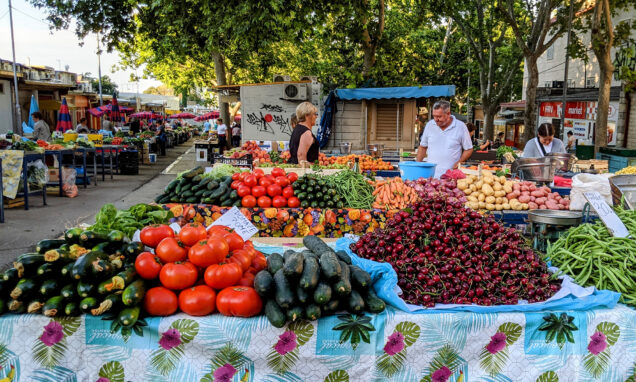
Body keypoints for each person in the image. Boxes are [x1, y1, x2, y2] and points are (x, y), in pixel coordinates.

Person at [416, 100, 473, 178]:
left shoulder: (460, 126)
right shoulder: (430, 125)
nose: (436, 119)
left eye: (439, 116)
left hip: (451, 177)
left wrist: (459, 162)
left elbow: (469, 149)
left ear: (448, 114)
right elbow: (423, 147)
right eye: (434, 116)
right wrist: (417, 166)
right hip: (430, 176)